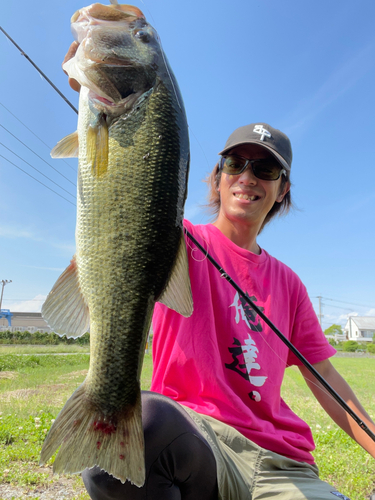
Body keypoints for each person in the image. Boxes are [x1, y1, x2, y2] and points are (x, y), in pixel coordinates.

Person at [63, 45, 375, 500]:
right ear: (217, 176)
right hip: (194, 441)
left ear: (282, 189)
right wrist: (99, 87)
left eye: (265, 168)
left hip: (280, 464)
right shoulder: (175, 241)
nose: (248, 176)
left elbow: (327, 382)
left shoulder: (289, 284)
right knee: (124, 431)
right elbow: (121, 203)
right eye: (236, 163)